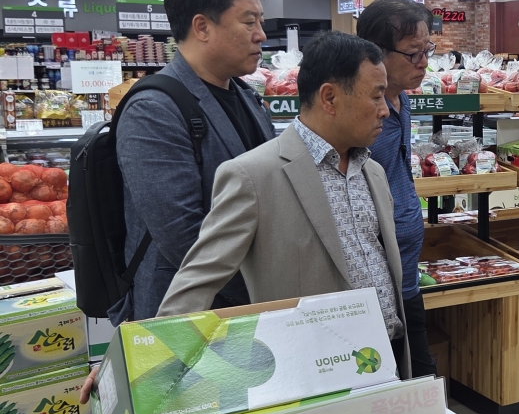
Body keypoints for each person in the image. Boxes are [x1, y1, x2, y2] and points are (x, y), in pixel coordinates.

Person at [157, 31, 411, 379]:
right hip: (312, 373)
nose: (385, 110)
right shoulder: (253, 175)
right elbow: (198, 278)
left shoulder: (373, 172)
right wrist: (142, 359)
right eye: (377, 96)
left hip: (386, 357)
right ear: (330, 98)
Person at [111, 0, 275, 324]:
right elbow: (181, 236)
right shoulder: (153, 109)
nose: (261, 35)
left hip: (250, 304)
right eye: (249, 22)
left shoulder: (246, 97)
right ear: (202, 27)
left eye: (261, 22)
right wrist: (263, 286)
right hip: (187, 313)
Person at [356, 0, 436, 377]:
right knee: (386, 380)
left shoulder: (402, 99)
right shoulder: (363, 114)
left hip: (406, 272)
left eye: (427, 50)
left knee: (419, 377)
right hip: (373, 281)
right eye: (413, 53)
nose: (424, 63)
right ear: (376, 52)